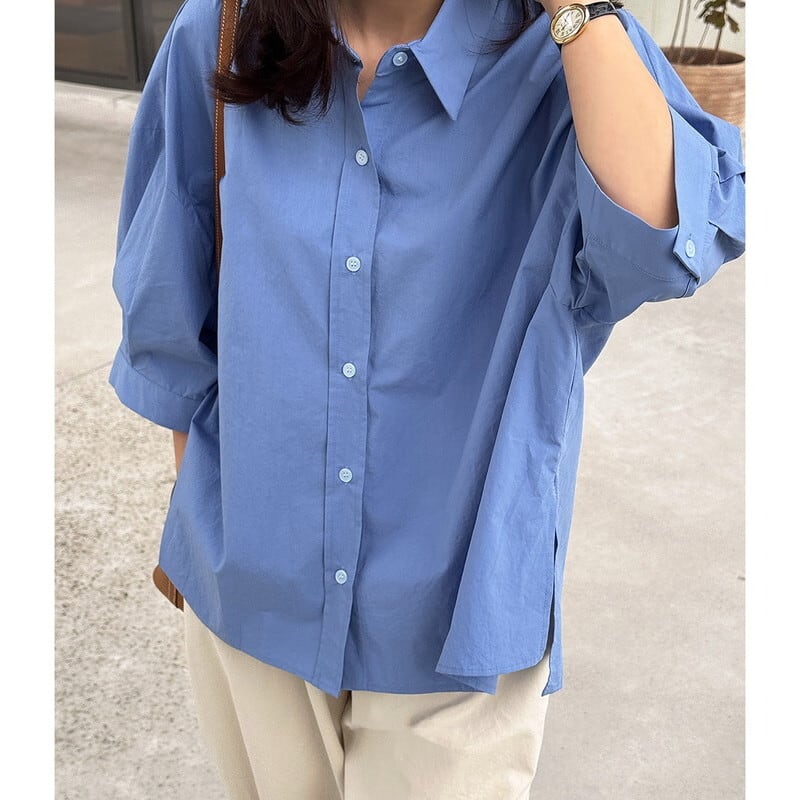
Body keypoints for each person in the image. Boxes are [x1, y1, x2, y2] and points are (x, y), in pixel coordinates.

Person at [107, 0, 746, 797]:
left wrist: (577, 13)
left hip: (461, 610)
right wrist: (215, 530)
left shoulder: (567, 49)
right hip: (252, 592)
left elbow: (661, 242)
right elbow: (172, 317)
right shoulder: (222, 30)